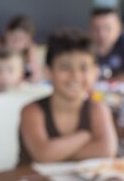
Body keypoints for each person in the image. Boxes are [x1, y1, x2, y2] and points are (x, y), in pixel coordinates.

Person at [19, 29, 117, 164]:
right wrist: (83, 136)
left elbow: (107, 150)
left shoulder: (98, 110)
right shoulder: (32, 111)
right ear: (48, 72)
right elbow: (43, 154)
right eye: (65, 67)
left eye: (83, 68)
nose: (75, 75)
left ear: (95, 73)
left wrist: (57, 152)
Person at [89, 7, 124, 79]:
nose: (101, 34)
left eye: (107, 28)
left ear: (119, 28)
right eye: (96, 28)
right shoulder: (82, 49)